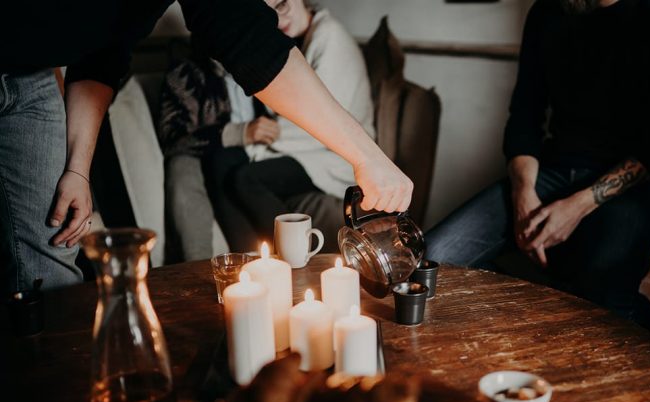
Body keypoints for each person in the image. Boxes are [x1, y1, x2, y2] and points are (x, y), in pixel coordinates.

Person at [0, 1, 410, 296]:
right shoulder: (188, 73)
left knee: (50, 269)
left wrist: (77, 169)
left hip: (30, 77)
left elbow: (100, 60)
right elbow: (247, 43)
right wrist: (368, 158)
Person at [424, 0, 650, 331]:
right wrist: (523, 192)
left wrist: (576, 207)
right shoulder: (547, 11)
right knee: (436, 256)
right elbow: (524, 118)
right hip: (549, 171)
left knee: (598, 309)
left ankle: (637, 317)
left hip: (630, 183)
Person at [160, 0, 373, 258]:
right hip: (299, 149)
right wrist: (244, 136)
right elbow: (177, 136)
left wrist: (254, 144)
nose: (279, 22)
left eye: (283, 5)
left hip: (329, 153)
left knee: (244, 177)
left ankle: (290, 254)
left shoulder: (328, 38)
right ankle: (252, 258)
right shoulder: (199, 69)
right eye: (269, 16)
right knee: (223, 161)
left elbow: (317, 120)